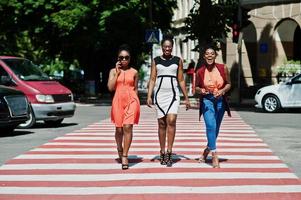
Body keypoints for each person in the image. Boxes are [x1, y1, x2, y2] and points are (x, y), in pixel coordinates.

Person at [147, 35, 190, 167]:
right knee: (161, 123)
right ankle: (162, 151)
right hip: (159, 95)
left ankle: (169, 151)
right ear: (162, 47)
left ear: (172, 47)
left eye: (169, 47)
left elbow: (181, 79)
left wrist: (186, 97)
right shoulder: (156, 60)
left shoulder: (178, 60)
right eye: (165, 46)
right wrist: (149, 96)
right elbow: (153, 79)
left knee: (171, 121)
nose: (167, 48)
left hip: (173, 94)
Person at [195, 44, 231, 168]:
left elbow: (229, 84)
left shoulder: (223, 68)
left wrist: (222, 91)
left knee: (215, 128)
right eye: (207, 54)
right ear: (204, 56)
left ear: (215, 55)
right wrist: (202, 91)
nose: (209, 55)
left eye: (212, 53)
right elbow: (197, 88)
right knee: (210, 125)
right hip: (207, 100)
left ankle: (206, 151)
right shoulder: (200, 71)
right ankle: (214, 154)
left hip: (220, 100)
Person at [107, 44, 140, 170]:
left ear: (130, 58)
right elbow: (110, 88)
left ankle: (125, 155)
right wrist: (117, 73)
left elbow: (136, 88)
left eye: (126, 57)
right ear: (118, 59)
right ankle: (119, 148)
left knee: (128, 126)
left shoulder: (135, 72)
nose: (124, 60)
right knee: (119, 129)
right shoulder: (113, 71)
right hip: (118, 100)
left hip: (132, 100)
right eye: (121, 58)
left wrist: (136, 103)